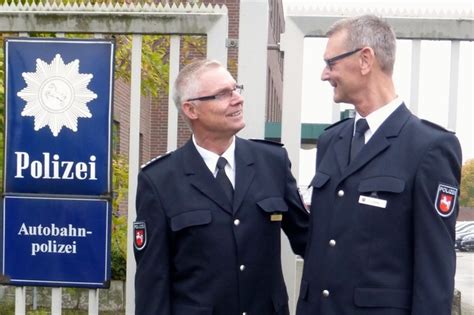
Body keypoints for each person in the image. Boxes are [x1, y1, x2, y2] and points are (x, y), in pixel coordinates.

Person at [296, 15, 462, 315]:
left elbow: (434, 272)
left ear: (365, 59)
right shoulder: (331, 141)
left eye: (330, 63)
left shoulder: (429, 148)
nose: (324, 74)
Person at [134, 59, 309, 315]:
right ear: (191, 109)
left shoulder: (272, 163)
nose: (237, 99)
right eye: (223, 94)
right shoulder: (160, 180)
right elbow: (153, 281)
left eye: (236, 89)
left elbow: (309, 240)